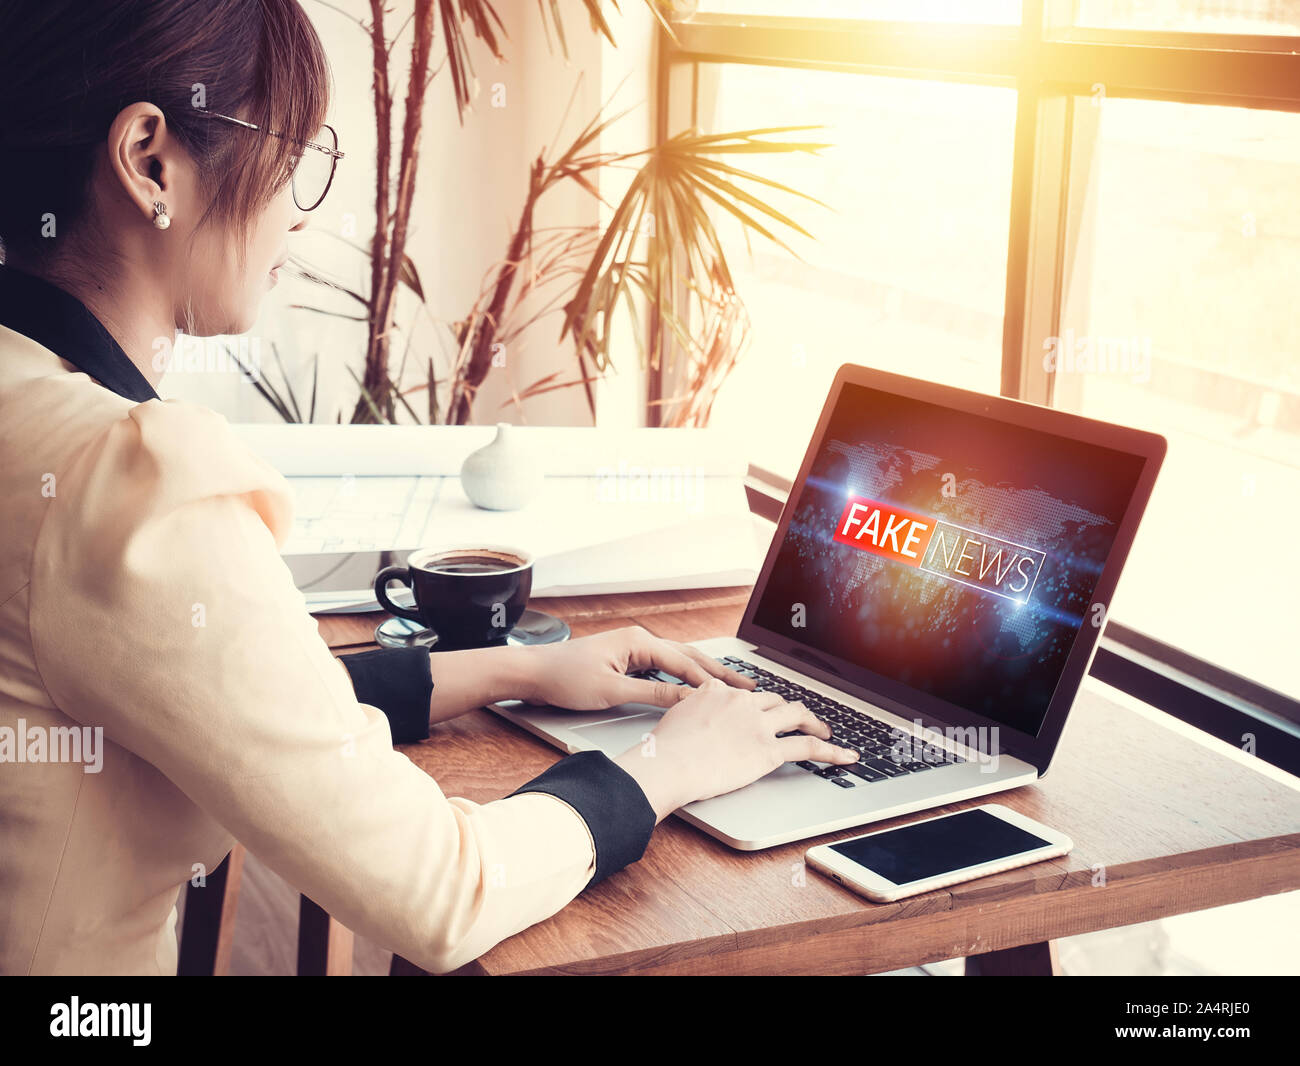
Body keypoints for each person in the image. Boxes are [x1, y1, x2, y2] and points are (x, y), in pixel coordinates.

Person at [0, 0, 857, 975]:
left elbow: (233, 692)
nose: (301, 204)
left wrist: (520, 671)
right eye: (292, 153)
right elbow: (437, 888)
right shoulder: (125, 481)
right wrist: (669, 765)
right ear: (151, 157)